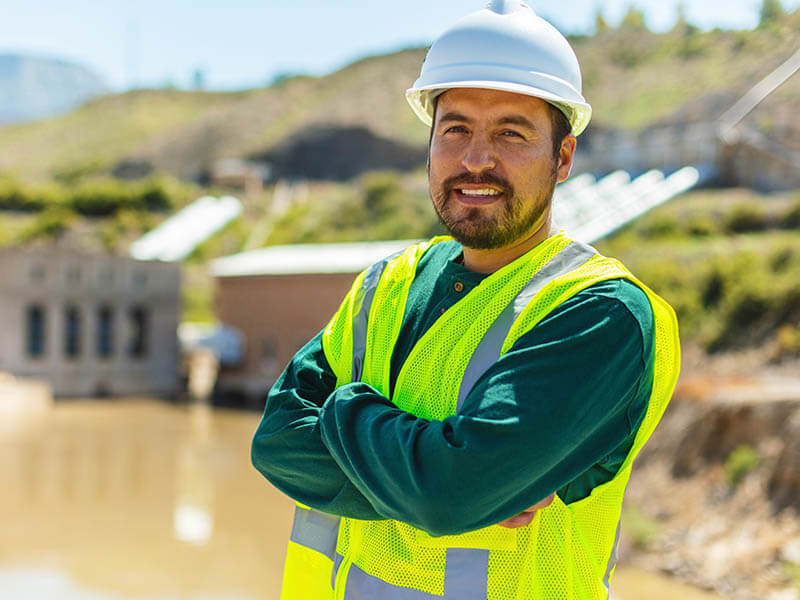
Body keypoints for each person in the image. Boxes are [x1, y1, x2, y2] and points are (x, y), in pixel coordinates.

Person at [251, 1, 680, 598]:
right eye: (455, 129)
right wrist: (434, 476)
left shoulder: (599, 313)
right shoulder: (388, 284)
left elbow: (449, 491)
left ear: (562, 158)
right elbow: (276, 442)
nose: (476, 159)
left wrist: (340, 413)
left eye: (511, 132)